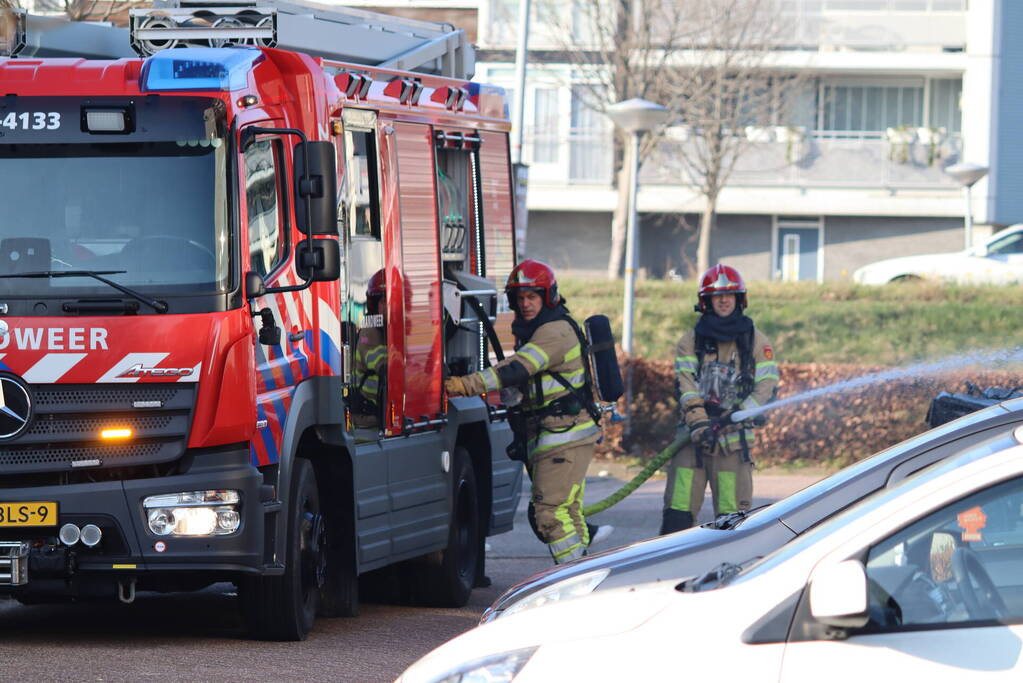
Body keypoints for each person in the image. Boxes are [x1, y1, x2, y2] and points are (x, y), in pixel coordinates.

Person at [444, 259, 612, 563]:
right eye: (519, 298)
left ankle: (571, 578)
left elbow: (516, 368)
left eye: (532, 297)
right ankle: (585, 570)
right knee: (568, 512)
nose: (525, 304)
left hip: (564, 435)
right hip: (560, 434)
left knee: (549, 514)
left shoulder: (554, 332)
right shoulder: (541, 329)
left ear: (548, 297)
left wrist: (462, 385)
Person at [661, 264, 779, 535]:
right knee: (677, 514)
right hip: (692, 439)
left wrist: (735, 416)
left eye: (730, 295)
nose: (724, 300)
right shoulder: (690, 341)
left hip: (733, 445)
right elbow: (686, 385)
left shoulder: (757, 342)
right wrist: (700, 422)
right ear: (706, 301)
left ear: (740, 300)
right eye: (717, 296)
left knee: (732, 519)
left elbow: (765, 388)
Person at [352, 269, 387, 429]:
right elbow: (383, 364)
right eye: (382, 301)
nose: (386, 306)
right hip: (367, 420)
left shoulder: (392, 331)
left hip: (382, 417)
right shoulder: (369, 332)